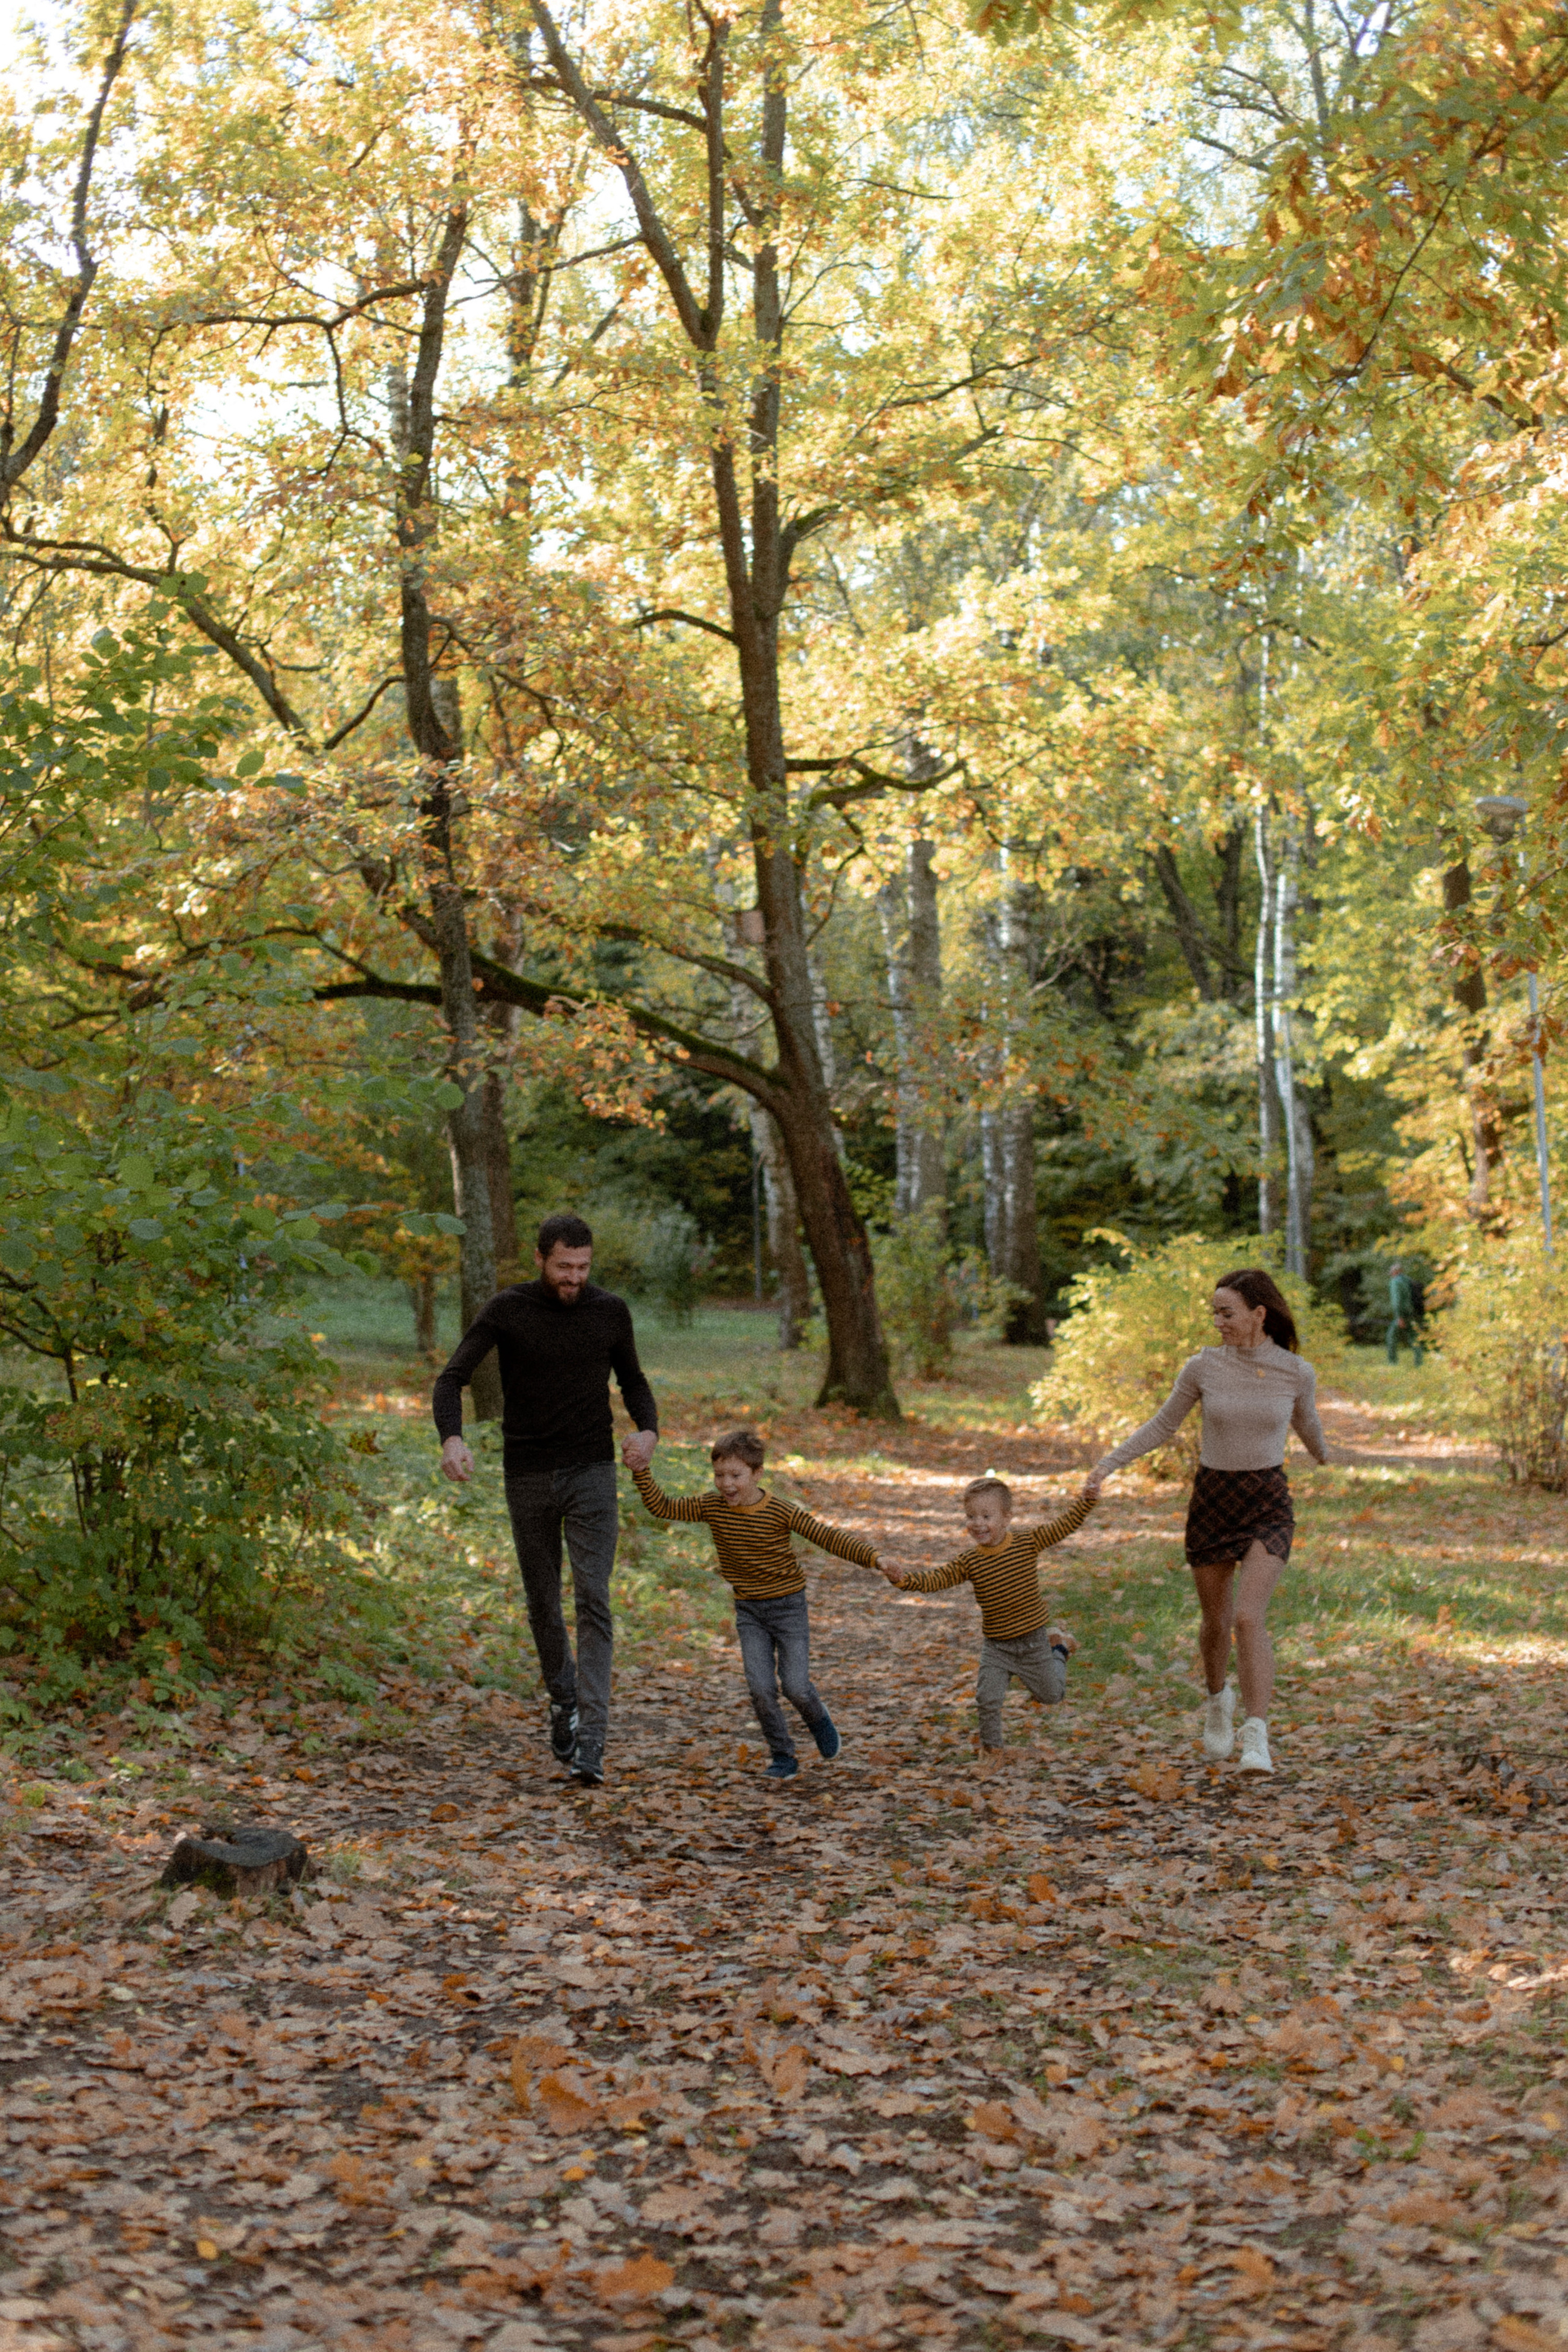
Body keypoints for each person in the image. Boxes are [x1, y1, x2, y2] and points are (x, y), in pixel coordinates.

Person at [433, 1212, 658, 1788]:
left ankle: (593, 1743)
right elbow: (451, 1377)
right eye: (564, 1267)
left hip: (592, 1470)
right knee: (541, 1602)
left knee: (594, 1599)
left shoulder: (610, 1312)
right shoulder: (509, 1310)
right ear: (540, 1259)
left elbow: (632, 1380)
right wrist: (452, 1438)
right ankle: (564, 1699)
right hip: (528, 1473)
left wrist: (647, 1429)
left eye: (583, 1268)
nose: (574, 1279)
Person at [1084, 1267, 1329, 1777]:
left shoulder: (1295, 1371)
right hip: (1215, 1498)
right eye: (1214, 1313)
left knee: (1247, 1618)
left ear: (1258, 1315)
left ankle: (1256, 1735)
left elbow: (1307, 1423)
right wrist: (1108, 1464)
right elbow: (1163, 1424)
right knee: (1215, 1622)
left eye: (1227, 1313)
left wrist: (1327, 1455)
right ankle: (1219, 1702)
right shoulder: (1203, 1368)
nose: (1218, 1322)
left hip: (1267, 1498)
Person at [625, 1428, 883, 1779]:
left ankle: (817, 1717)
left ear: (757, 1474)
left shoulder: (779, 1511)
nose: (726, 1484)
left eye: (736, 1476)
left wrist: (876, 1560)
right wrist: (641, 1470)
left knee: (795, 1685)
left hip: (789, 1607)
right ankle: (783, 1756)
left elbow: (827, 1537)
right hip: (749, 1611)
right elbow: (662, 1506)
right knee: (761, 1688)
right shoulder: (712, 1506)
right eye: (719, 1476)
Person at [878, 1475, 1093, 1757]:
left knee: (1051, 1696)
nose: (978, 1523)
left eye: (986, 1516)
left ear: (1006, 1518)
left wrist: (1087, 1502)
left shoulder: (1027, 1543)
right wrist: (904, 1580)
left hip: (1032, 1642)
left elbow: (1063, 1525)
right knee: (987, 1699)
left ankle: (1060, 1648)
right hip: (997, 1646)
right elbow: (938, 1578)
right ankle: (993, 1753)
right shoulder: (970, 1561)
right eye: (971, 1516)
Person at [1386, 1261, 1425, 1366]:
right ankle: (1419, 1363)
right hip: (1412, 1313)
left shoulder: (1395, 1282)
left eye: (1392, 1272)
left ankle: (1392, 1362)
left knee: (1391, 1337)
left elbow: (1397, 1301)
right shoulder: (1408, 1280)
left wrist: (1399, 1317)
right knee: (1414, 1338)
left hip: (1402, 1315)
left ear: (1395, 1272)